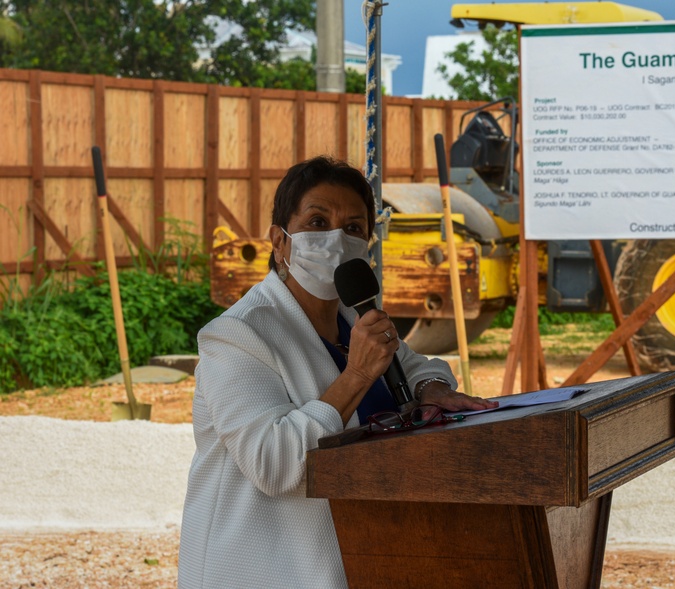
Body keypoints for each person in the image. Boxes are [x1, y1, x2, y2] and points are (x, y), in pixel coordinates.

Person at [178, 156, 497, 588]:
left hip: (363, 558)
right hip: (267, 571)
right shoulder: (237, 336)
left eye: (352, 228)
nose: (335, 239)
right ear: (280, 241)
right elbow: (273, 464)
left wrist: (432, 388)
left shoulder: (353, 314)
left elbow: (418, 366)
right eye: (316, 221)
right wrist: (356, 376)